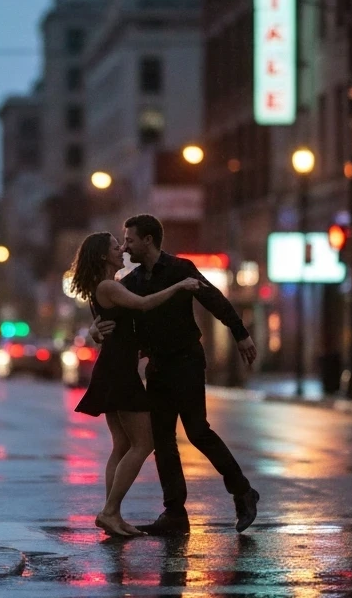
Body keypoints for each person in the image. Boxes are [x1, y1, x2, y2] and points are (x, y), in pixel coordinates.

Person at [92, 214, 261, 536]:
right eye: (122, 242)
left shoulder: (181, 269)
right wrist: (93, 328)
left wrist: (241, 334)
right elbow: (108, 308)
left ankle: (242, 492)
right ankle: (174, 512)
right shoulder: (133, 281)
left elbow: (214, 299)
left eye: (129, 240)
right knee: (163, 440)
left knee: (197, 431)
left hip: (186, 360)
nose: (125, 247)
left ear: (149, 240)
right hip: (157, 366)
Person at [68, 231, 202, 538]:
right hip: (118, 371)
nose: (122, 251)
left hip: (115, 367)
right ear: (103, 255)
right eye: (116, 247)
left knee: (123, 445)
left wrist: (97, 331)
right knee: (144, 443)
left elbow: (121, 326)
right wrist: (179, 286)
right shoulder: (108, 286)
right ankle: (109, 511)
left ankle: (112, 513)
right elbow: (143, 305)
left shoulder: (106, 287)